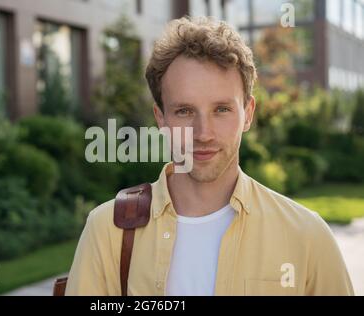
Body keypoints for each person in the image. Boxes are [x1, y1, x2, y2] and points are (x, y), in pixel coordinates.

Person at [65, 17, 354, 296]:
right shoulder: (107, 230)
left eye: (221, 110)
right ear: (161, 119)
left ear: (248, 114)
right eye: (184, 111)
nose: (203, 133)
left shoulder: (307, 236)